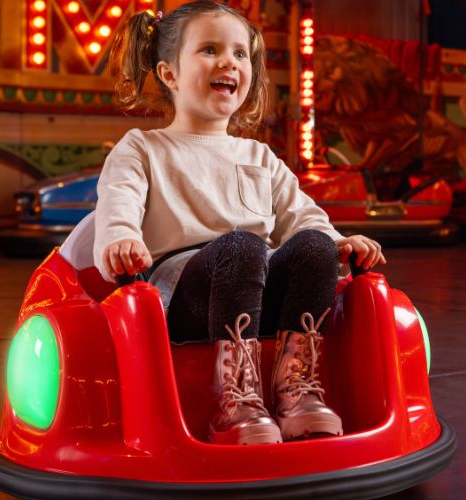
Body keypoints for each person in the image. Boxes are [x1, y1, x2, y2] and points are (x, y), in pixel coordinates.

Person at [91, 1, 385, 446]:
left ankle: (297, 388)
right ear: (169, 74)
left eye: (240, 54)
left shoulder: (259, 157)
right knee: (242, 247)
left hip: (258, 289)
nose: (229, 61)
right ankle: (235, 398)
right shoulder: (143, 148)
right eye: (209, 49)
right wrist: (121, 238)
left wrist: (339, 241)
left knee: (313, 247)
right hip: (186, 297)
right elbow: (118, 205)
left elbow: (302, 215)